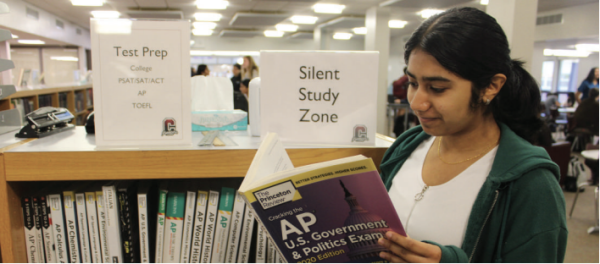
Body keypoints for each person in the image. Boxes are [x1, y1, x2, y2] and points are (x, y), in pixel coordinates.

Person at [377, 7, 567, 263]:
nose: (417, 102)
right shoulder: (407, 146)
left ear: (491, 86)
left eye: (437, 88)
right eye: (413, 83)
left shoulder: (530, 183)